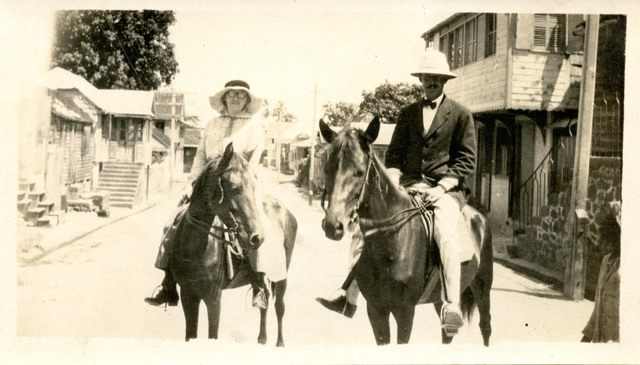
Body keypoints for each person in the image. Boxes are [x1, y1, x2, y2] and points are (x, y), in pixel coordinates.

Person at [316, 49, 477, 335]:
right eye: (426, 77)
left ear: (444, 81)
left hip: (445, 190)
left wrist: (441, 188)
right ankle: (348, 294)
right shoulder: (407, 114)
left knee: (446, 232)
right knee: (363, 227)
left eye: (436, 78)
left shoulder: (461, 114)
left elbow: (466, 160)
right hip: (409, 186)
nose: (431, 82)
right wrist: (394, 181)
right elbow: (394, 156)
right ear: (421, 80)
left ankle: (451, 303)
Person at [145, 80, 285, 310]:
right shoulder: (211, 124)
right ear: (224, 98)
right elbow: (201, 154)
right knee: (174, 218)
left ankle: (259, 283)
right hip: (207, 181)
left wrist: (242, 183)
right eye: (232, 94)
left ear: (247, 101)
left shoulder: (254, 125)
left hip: (239, 182)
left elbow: (254, 158)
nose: (236, 98)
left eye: (241, 95)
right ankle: (168, 282)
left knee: (257, 226)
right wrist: (192, 183)